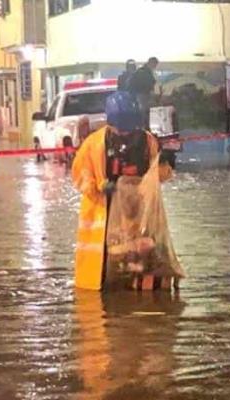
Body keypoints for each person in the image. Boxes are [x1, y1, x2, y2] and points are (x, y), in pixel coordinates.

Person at [72, 91, 173, 291]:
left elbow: (161, 175)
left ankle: (138, 288)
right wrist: (100, 188)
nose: (126, 133)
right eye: (121, 128)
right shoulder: (94, 144)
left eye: (129, 128)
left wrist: (164, 164)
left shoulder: (147, 141)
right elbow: (79, 176)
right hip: (102, 210)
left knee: (140, 255)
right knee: (101, 268)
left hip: (137, 211)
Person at [128, 57, 159, 129]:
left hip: (142, 94)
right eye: (155, 65)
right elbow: (148, 83)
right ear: (151, 63)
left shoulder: (144, 71)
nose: (155, 67)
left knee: (145, 113)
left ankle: (145, 128)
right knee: (143, 113)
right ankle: (143, 129)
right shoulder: (144, 71)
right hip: (142, 94)